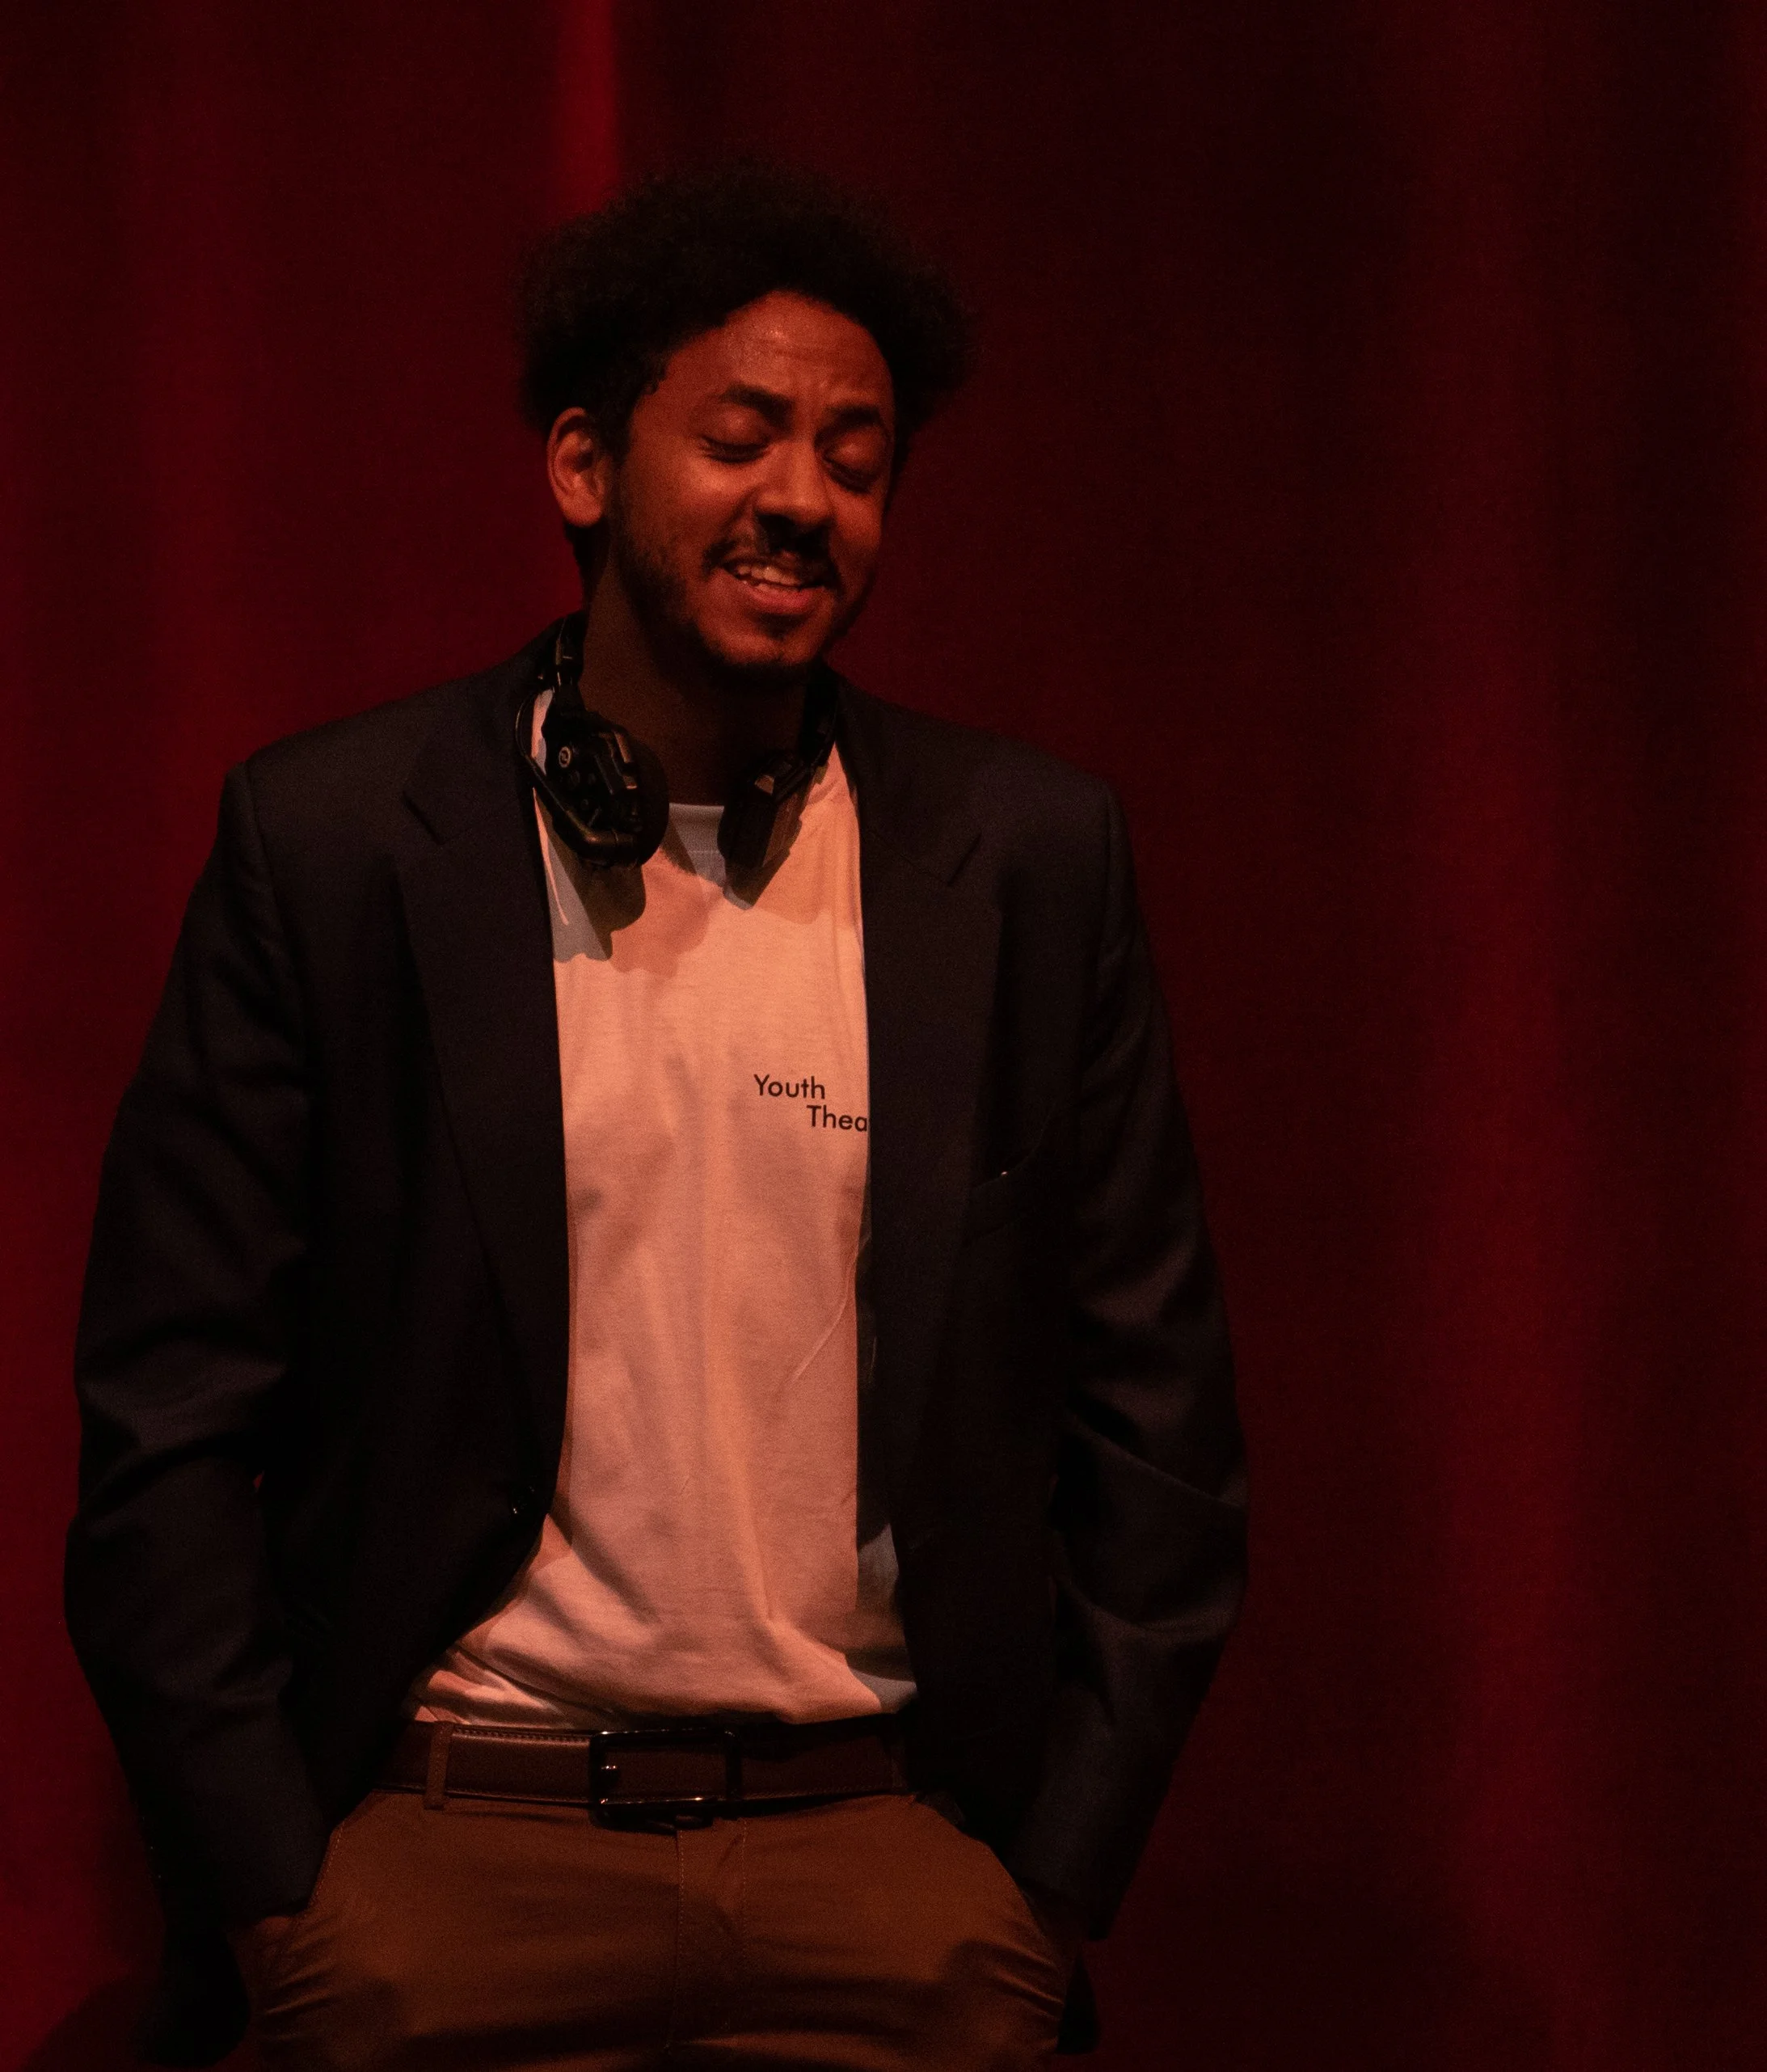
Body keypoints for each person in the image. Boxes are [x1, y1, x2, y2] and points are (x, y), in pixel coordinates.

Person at [66, 163, 1246, 2071]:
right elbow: (168, 1410)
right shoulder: (337, 846)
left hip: (890, 1874)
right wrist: (278, 1896)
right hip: (442, 1869)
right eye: (745, 435)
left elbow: (1159, 1422)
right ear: (584, 467)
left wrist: (1037, 1897)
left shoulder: (1025, 862)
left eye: (857, 456)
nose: (804, 496)